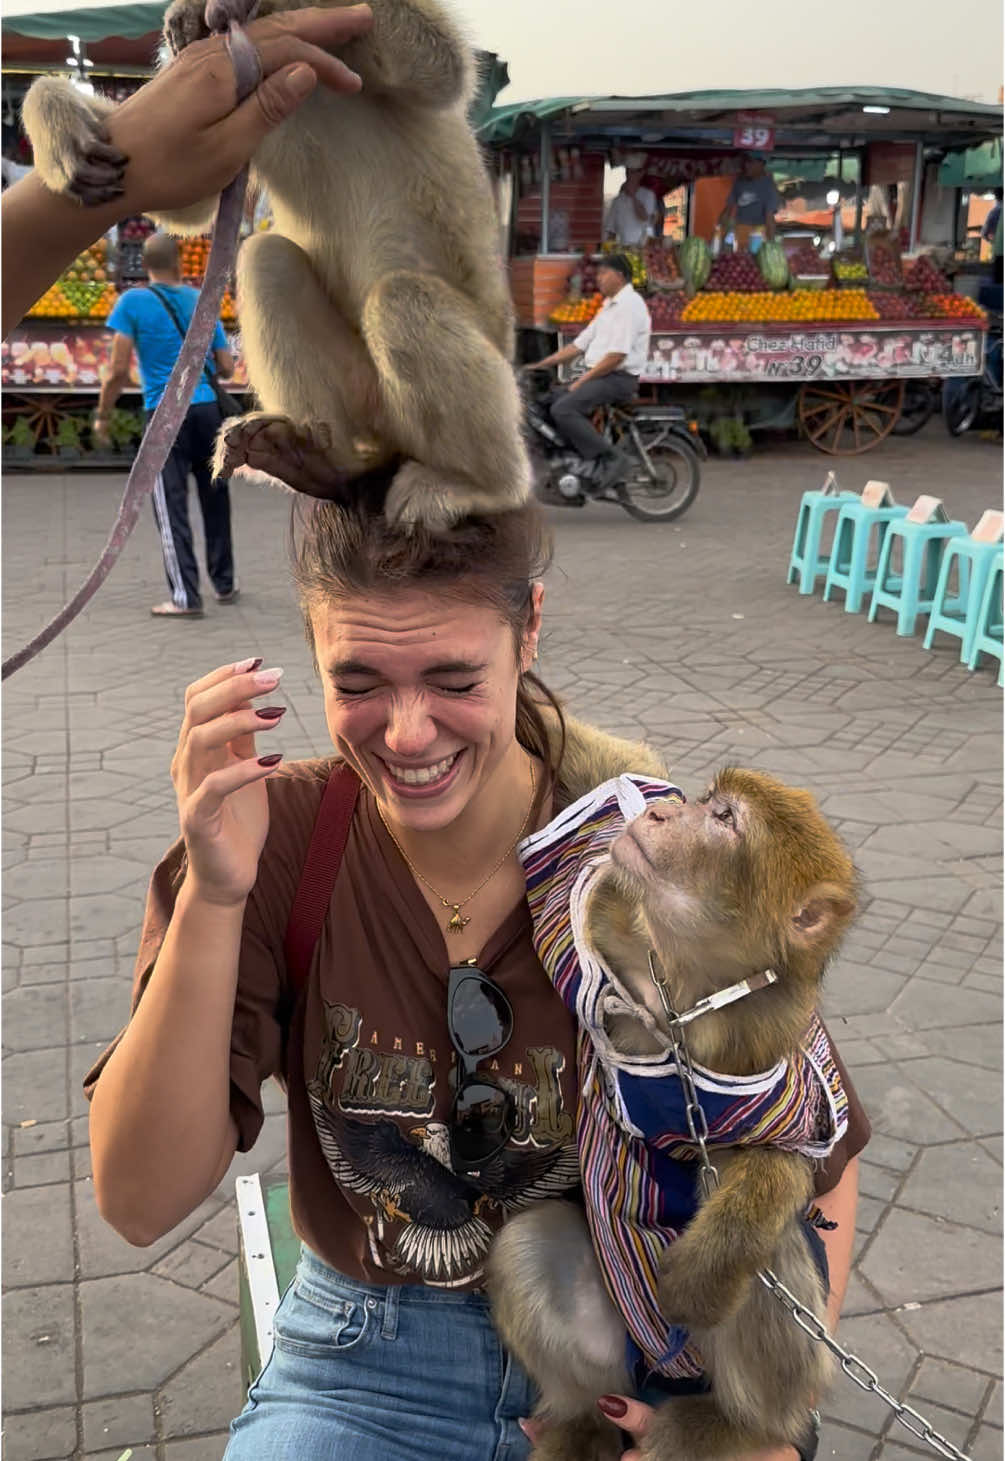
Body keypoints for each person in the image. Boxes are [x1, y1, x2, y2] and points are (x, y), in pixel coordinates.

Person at [83, 469, 868, 1461]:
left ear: (528, 627)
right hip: (372, 1358)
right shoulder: (274, 835)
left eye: (454, 681)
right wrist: (215, 891)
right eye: (357, 683)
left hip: (635, 1352)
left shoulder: (641, 854)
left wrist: (765, 1426)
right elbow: (140, 1201)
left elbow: (809, 1147)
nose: (407, 735)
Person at [1, 5, 374, 339]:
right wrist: (51, 102)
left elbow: (432, 63)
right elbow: (189, 209)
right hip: (321, 306)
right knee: (263, 260)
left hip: (390, 278)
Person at [96, 232, 238, 617]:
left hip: (164, 416)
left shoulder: (133, 302)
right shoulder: (201, 300)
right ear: (178, 262)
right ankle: (225, 584)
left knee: (170, 506)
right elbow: (226, 366)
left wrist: (103, 415)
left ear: (144, 264)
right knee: (216, 500)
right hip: (209, 412)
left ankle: (185, 597)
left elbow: (117, 370)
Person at [526, 253, 652, 491]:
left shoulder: (629, 306)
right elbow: (578, 345)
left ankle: (611, 459)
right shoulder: (608, 306)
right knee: (546, 402)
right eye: (598, 274)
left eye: (604, 274)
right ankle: (571, 461)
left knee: (564, 409)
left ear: (620, 276)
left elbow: (616, 357)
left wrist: (580, 381)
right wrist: (539, 365)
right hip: (602, 376)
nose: (599, 279)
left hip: (617, 379)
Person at [718, 153, 782, 250]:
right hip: (739, 232)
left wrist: (772, 245)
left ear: (761, 164)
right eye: (746, 162)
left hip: (758, 235)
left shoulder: (769, 187)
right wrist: (719, 232)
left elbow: (770, 219)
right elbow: (728, 210)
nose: (746, 166)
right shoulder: (739, 182)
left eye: (751, 162)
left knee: (753, 259)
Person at [605, 165, 660, 247]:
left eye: (634, 172)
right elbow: (611, 230)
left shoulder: (648, 195)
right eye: (628, 171)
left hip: (644, 248)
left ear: (641, 174)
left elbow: (644, 218)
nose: (630, 175)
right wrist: (608, 250)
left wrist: (633, 196)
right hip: (624, 248)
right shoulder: (617, 201)